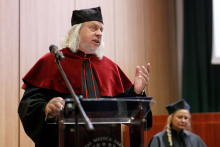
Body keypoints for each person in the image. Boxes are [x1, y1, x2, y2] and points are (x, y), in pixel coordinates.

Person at [18, 6, 152, 147]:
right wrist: (46, 109)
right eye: (93, 28)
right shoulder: (52, 62)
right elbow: (28, 105)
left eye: (101, 29)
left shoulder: (110, 67)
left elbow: (129, 112)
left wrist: (137, 92)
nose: (99, 33)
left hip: (104, 142)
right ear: (77, 32)